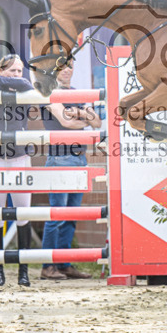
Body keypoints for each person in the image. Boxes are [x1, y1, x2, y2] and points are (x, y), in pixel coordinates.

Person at [0, 53, 39, 287]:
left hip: (20, 158)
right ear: (1, 70)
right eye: (12, 70)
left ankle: (24, 272)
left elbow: (27, 85)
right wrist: (3, 83)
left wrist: (8, 81)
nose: (17, 75)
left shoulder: (25, 89)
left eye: (19, 70)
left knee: (23, 216)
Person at [39, 61, 102, 280]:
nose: (67, 69)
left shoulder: (77, 93)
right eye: (62, 66)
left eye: (70, 66)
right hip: (59, 159)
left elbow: (97, 122)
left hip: (79, 159)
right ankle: (48, 266)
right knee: (56, 215)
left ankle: (64, 264)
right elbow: (66, 122)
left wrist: (78, 113)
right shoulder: (48, 92)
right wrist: (82, 117)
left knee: (72, 216)